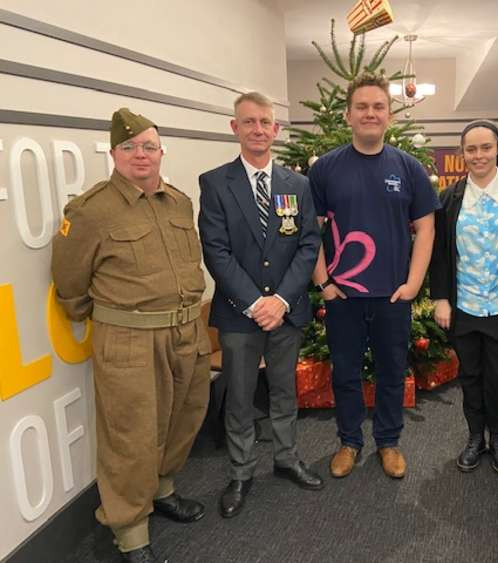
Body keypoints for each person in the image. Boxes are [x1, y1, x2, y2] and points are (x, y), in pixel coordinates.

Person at [51, 108, 210, 563]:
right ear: (114, 153)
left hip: (186, 330)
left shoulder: (178, 202)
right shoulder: (91, 210)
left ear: (161, 151)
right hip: (130, 340)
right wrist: (110, 319)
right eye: (129, 147)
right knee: (131, 436)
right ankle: (130, 531)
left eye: (148, 146)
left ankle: (163, 489)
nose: (140, 155)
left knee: (184, 417)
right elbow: (69, 279)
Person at [308, 72, 440, 479]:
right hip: (343, 296)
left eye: (378, 107)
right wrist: (323, 282)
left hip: (392, 297)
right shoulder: (325, 169)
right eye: (362, 107)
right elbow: (311, 230)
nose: (370, 113)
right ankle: (349, 441)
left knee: (391, 371)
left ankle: (388, 441)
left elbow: (426, 228)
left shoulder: (409, 168)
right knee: (345, 372)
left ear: (389, 114)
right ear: (348, 115)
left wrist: (414, 283)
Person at [198, 91, 323, 519]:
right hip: (239, 315)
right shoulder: (215, 184)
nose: (257, 129)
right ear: (235, 128)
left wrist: (282, 301)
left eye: (264, 122)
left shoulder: (298, 185)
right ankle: (241, 471)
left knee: (286, 390)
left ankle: (286, 458)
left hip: (287, 313)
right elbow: (216, 251)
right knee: (240, 397)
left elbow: (308, 246)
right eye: (248, 122)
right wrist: (256, 303)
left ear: (276, 128)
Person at [430, 120, 498, 476]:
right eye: (471, 149)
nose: (478, 155)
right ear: (462, 153)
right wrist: (441, 298)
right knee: (471, 376)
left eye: (485, 147)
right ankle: (475, 437)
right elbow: (441, 254)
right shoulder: (450, 198)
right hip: (463, 307)